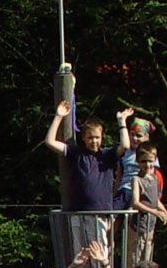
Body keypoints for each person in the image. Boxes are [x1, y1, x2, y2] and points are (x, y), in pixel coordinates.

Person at [44, 101, 130, 258]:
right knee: (81, 254)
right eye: (90, 137)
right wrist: (59, 116)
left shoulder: (107, 155)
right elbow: (49, 142)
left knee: (99, 254)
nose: (94, 141)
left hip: (100, 213)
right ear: (83, 137)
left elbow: (125, 145)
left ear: (102, 137)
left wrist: (121, 122)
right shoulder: (77, 153)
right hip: (78, 212)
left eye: (97, 137)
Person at [126, 147, 167, 266]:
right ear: (137, 161)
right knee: (134, 258)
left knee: (147, 257)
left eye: (150, 161)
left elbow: (155, 200)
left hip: (150, 225)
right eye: (143, 161)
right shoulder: (136, 179)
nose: (148, 164)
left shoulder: (154, 179)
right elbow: (136, 202)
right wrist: (154, 212)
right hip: (138, 225)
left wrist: (165, 213)